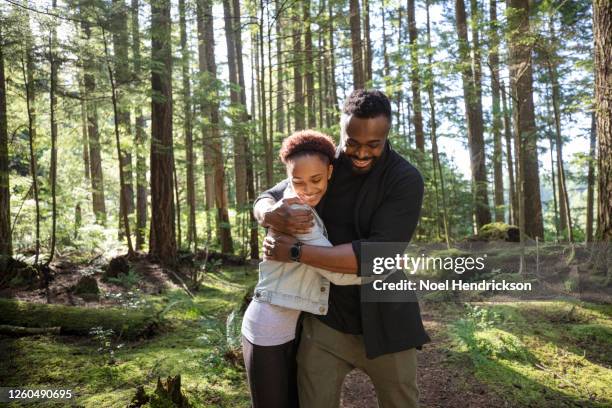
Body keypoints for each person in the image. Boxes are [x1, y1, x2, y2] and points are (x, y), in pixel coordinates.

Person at [254, 89, 430, 408]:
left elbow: (375, 257)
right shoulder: (325, 166)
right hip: (326, 321)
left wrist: (293, 251)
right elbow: (270, 194)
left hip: (387, 319)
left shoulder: (405, 180)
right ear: (342, 130)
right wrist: (267, 212)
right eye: (352, 143)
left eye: (372, 145)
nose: (361, 153)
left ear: (386, 134)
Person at [241, 130, 361, 408]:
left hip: (297, 328)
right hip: (268, 330)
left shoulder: (307, 200)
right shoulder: (297, 212)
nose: (307, 189)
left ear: (330, 171)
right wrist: (384, 266)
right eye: (298, 181)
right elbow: (336, 272)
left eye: (316, 179)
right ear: (288, 178)